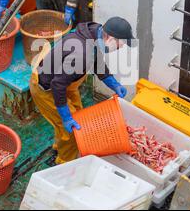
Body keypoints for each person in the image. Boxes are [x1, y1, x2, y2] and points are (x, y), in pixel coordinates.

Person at [30, 17, 136, 165]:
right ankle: (63, 162)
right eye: (120, 43)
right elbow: (57, 85)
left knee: (79, 115)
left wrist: (113, 83)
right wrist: (66, 116)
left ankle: (59, 145)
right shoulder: (81, 55)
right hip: (47, 89)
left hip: (65, 82)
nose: (122, 46)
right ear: (110, 38)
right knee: (71, 129)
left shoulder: (95, 33)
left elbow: (97, 62)